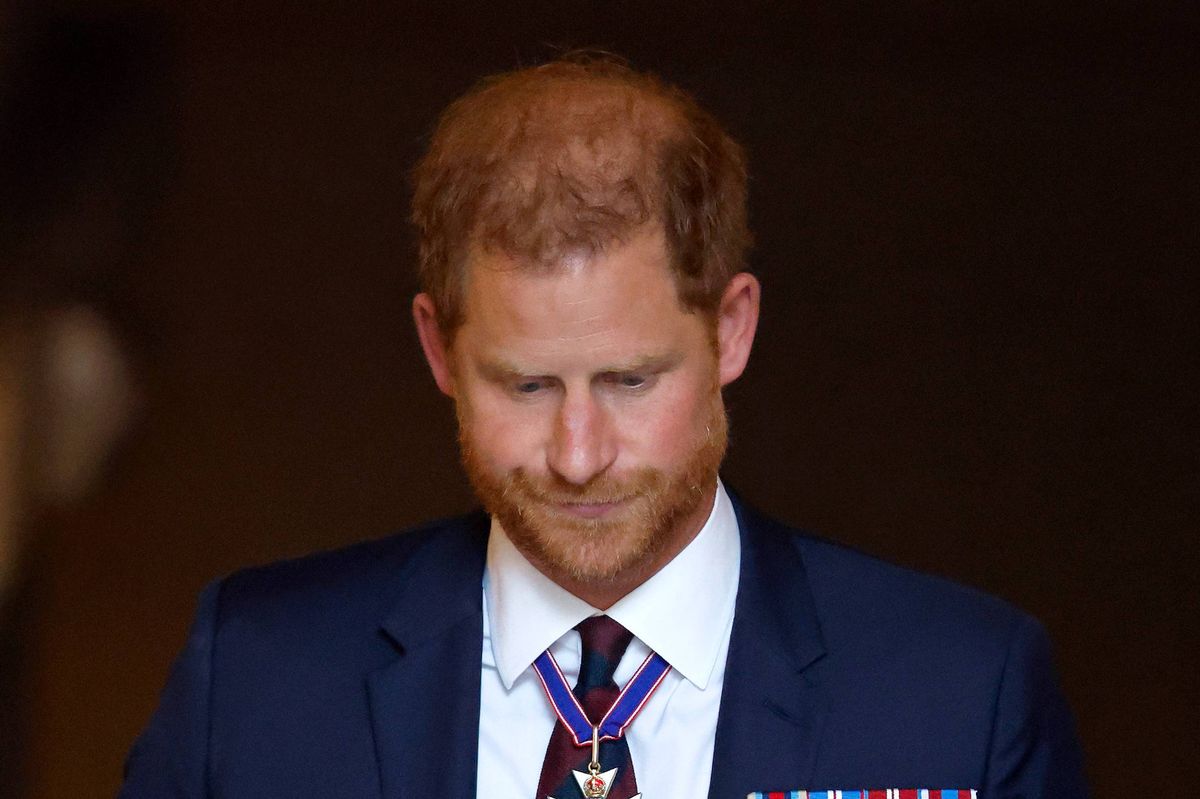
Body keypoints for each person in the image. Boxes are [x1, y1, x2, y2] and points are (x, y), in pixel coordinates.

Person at [120, 55, 1088, 798]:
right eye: (527, 385)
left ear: (733, 329)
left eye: (630, 379)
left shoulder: (962, 688)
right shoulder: (253, 676)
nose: (579, 456)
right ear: (439, 350)